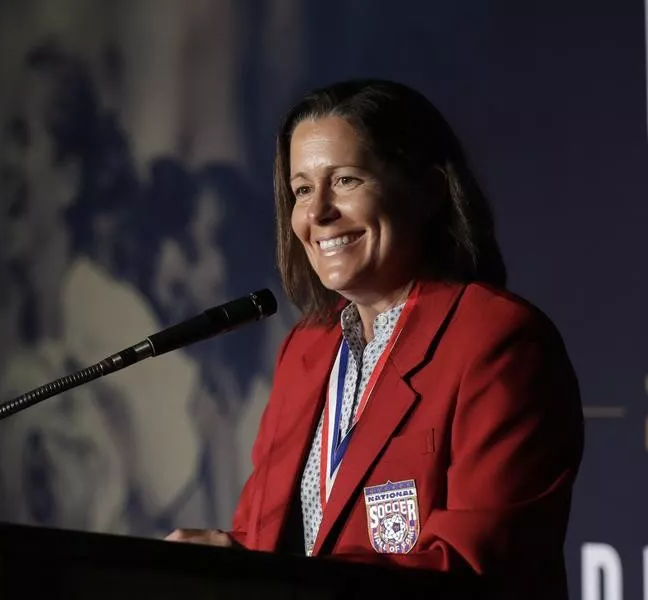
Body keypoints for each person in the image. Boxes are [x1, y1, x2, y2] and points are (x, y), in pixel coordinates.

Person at [165, 79, 584, 598]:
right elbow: (273, 538)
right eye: (300, 190)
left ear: (429, 191)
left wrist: (278, 581)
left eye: (344, 180)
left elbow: (474, 570)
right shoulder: (306, 350)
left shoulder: (498, 343)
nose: (316, 213)